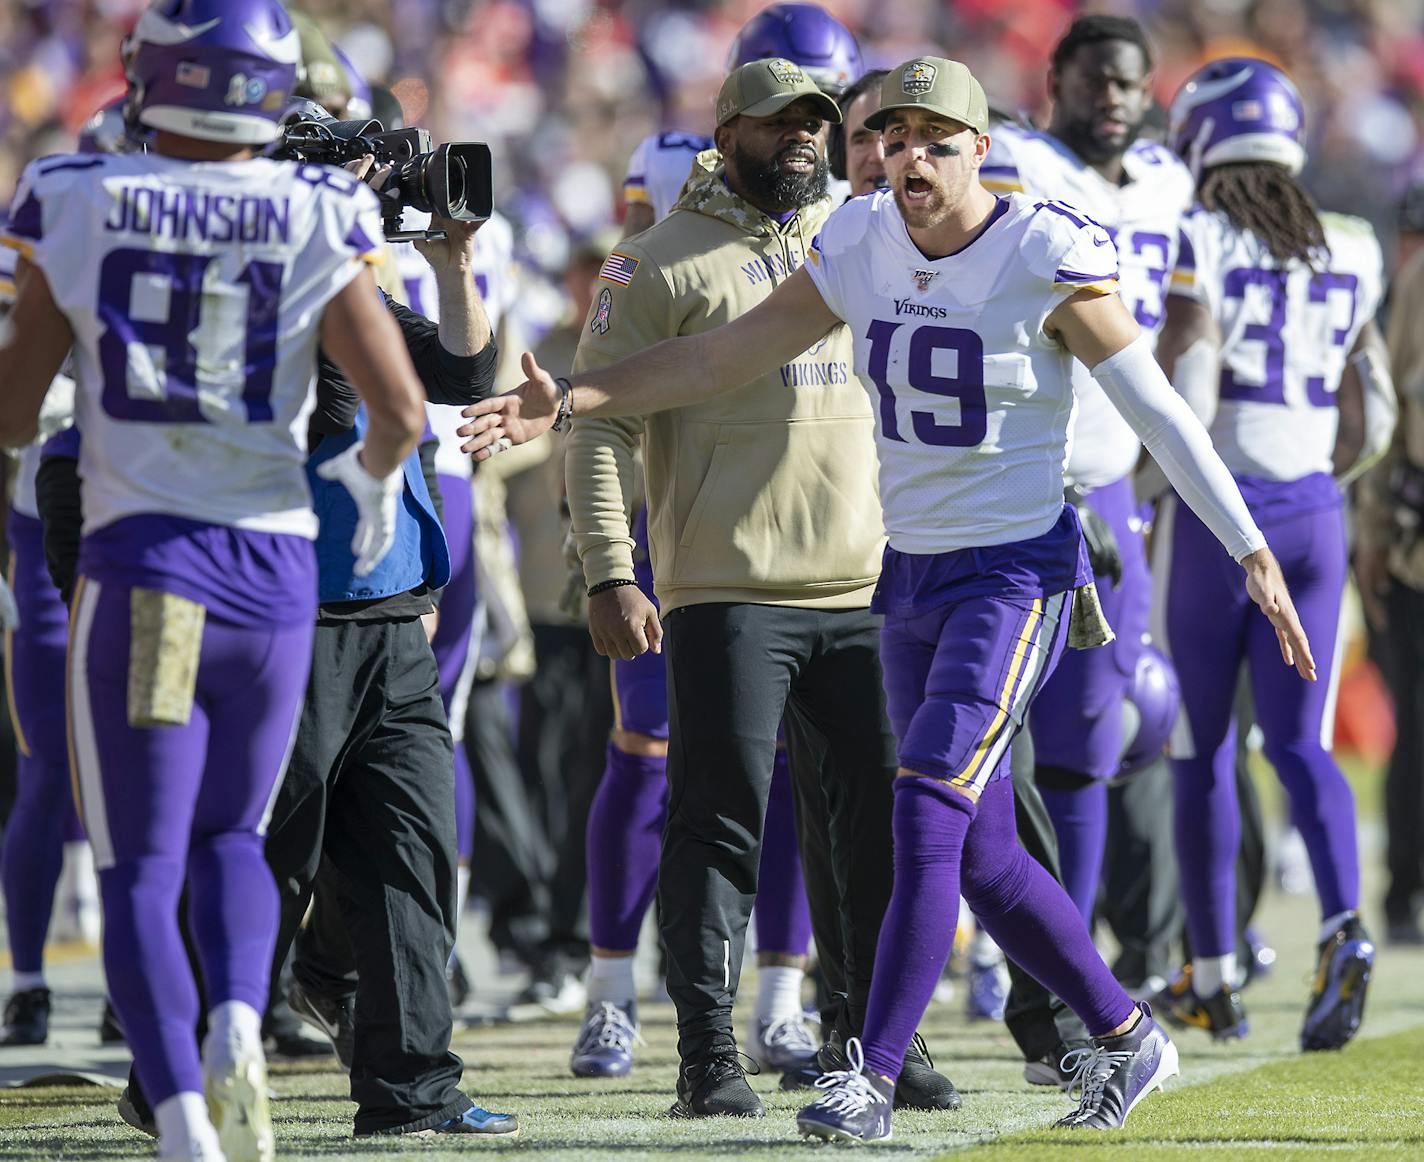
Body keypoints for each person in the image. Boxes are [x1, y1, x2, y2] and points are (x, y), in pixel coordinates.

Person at [460, 55, 1314, 1139]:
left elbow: (1152, 407)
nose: (911, 158)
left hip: (1013, 571)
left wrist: (1243, 543)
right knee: (987, 858)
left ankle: (864, 1069)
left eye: (937, 140)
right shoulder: (858, 238)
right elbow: (725, 355)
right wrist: (575, 396)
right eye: (894, 137)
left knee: (920, 806)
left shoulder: (1042, 244)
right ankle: (1124, 1030)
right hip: (903, 575)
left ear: (981, 149)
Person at [0, 1, 428, 1158]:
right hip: (279, 573)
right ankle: (239, 1017)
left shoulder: (78, 196)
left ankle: (186, 1112)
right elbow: (396, 411)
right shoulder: (317, 203)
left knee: (141, 858)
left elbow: (9, 407)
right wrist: (380, 486)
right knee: (235, 837)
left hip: (152, 570)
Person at [561, 58, 955, 1118]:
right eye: (778, 122)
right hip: (724, 587)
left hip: (869, 584)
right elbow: (596, 423)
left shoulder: (865, 241)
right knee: (716, 823)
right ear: (724, 128)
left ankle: (874, 1038)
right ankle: (704, 1056)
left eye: (815, 123)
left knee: (877, 828)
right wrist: (607, 567)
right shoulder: (653, 263)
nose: (802, 139)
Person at [1155, 57, 1391, 1048]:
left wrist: (1155, 485)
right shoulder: (1348, 241)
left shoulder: (1197, 235)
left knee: (1199, 748)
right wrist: (1320, 488)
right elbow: (1371, 408)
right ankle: (1343, 923)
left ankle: (1211, 971)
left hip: (1221, 516)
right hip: (1311, 512)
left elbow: (1191, 390)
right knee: (1297, 743)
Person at [621, 2, 862, 237]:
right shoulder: (670, 164)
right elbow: (625, 268)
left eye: (818, 106)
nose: (800, 129)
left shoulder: (852, 195)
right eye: (781, 108)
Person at [1357, 204, 1424, 948]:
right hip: (1417, 552)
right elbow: (1393, 409)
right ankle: (1405, 889)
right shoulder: (1419, 279)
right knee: (1417, 725)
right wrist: (1372, 533)